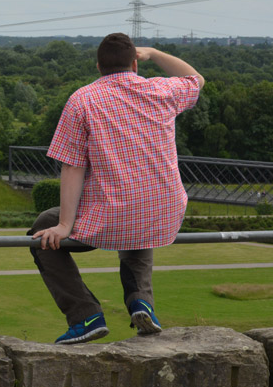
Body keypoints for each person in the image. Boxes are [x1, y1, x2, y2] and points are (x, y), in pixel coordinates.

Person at [30, 33, 204, 344]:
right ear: (135, 63)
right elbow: (195, 78)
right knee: (140, 216)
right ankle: (141, 303)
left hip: (114, 212)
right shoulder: (160, 89)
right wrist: (152, 52)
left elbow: (72, 166)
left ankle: (86, 316)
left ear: (98, 66)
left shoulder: (82, 99)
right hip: (163, 209)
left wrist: (64, 225)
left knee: (44, 228)